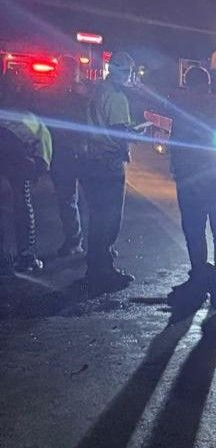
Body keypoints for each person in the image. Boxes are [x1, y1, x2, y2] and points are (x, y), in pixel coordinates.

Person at [165, 65, 216, 309]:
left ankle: (199, 279)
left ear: (187, 85)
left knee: (195, 233)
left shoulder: (184, 110)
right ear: (208, 84)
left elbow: (176, 146)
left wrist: (179, 171)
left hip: (192, 187)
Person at [78, 51, 138, 291]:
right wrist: (133, 137)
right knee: (109, 218)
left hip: (91, 159)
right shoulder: (117, 97)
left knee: (97, 216)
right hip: (109, 164)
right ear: (127, 73)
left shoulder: (99, 89)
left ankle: (95, 267)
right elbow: (117, 132)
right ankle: (104, 271)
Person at [0, 72, 52, 276]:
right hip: (20, 170)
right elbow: (43, 147)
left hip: (13, 167)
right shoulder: (29, 120)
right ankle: (26, 256)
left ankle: (5, 257)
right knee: (23, 208)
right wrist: (39, 168)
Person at [47, 73, 91, 257]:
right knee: (75, 200)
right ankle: (83, 242)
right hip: (76, 153)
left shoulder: (54, 95)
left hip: (73, 153)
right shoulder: (82, 94)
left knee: (71, 200)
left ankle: (81, 241)